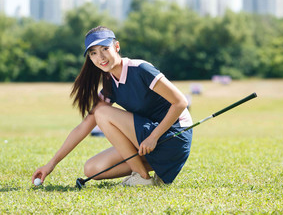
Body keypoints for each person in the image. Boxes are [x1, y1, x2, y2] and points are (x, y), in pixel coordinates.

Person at [31, 26, 193, 186]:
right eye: (93, 53)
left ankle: (142, 177)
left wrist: (153, 137)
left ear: (116, 47)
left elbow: (180, 102)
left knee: (102, 113)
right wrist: (51, 164)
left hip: (173, 136)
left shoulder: (140, 69)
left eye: (104, 49)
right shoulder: (110, 84)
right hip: (150, 140)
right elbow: (83, 127)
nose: (100, 57)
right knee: (92, 169)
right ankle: (150, 173)